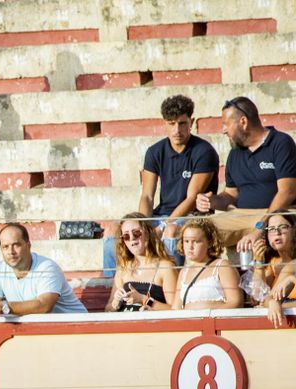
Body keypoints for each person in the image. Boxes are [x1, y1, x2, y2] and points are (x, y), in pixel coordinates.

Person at [102, 95, 218, 277]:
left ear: (191, 122)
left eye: (182, 123)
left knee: (171, 230)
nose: (177, 130)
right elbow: (147, 196)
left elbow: (191, 198)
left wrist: (163, 225)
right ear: (164, 123)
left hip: (192, 215)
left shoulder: (204, 151)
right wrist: (144, 225)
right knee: (112, 229)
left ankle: (171, 283)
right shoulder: (155, 151)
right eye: (171, 124)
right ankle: (113, 285)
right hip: (160, 213)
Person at [196, 97, 296, 255]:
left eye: (226, 124)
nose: (223, 130)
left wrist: (260, 228)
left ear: (243, 122)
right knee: (196, 231)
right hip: (242, 214)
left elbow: (288, 192)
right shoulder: (235, 152)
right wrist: (212, 201)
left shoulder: (281, 143)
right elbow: (231, 194)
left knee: (276, 224)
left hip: (278, 213)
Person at [0, 223, 88, 317]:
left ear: (28, 245)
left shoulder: (47, 267)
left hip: (76, 329)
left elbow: (44, 305)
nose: (11, 251)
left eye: (16, 245)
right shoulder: (0, 268)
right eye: (5, 247)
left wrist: (4, 307)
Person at [106, 214, 178, 312]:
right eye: (126, 236)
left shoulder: (165, 267)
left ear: (148, 233)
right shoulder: (123, 267)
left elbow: (175, 310)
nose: (132, 238)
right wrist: (115, 302)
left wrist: (144, 299)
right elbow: (107, 310)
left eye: (136, 233)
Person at [171, 219, 244, 311]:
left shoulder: (222, 266)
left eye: (196, 241)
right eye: (186, 241)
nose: (190, 246)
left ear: (209, 243)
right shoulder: (183, 272)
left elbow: (236, 302)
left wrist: (206, 311)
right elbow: (176, 308)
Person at [244, 210, 296, 303]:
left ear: (294, 230)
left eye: (283, 227)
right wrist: (259, 263)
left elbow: (269, 301)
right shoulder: (272, 262)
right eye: (271, 229)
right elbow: (257, 299)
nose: (277, 232)